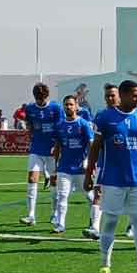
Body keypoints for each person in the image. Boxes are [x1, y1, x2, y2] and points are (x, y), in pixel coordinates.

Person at [84, 80, 137, 273]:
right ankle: (105, 264)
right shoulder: (105, 117)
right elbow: (95, 148)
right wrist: (89, 173)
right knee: (110, 220)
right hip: (112, 180)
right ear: (123, 95)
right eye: (134, 95)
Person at [20, 83, 64, 226]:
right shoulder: (30, 108)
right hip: (36, 149)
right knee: (32, 179)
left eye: (42, 98)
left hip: (52, 150)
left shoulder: (56, 108)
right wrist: (32, 133)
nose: (40, 101)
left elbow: (61, 128)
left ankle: (54, 213)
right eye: (38, 99)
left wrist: (57, 145)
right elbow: (29, 124)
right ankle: (31, 215)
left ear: (47, 96)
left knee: (54, 182)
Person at [51, 95, 94, 233]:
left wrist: (89, 161)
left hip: (81, 169)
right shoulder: (60, 126)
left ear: (76, 106)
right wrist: (55, 168)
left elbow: (92, 144)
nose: (68, 107)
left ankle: (95, 221)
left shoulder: (83, 124)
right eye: (66, 105)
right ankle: (60, 224)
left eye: (70, 104)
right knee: (62, 196)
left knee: (90, 196)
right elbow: (57, 147)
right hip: (64, 168)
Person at [82, 83, 120, 239]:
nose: (110, 98)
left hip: (124, 164)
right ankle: (95, 228)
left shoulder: (129, 114)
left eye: (113, 95)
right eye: (107, 96)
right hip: (104, 163)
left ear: (120, 96)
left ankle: (132, 225)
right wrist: (91, 165)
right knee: (98, 193)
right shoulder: (101, 115)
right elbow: (96, 143)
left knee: (127, 199)